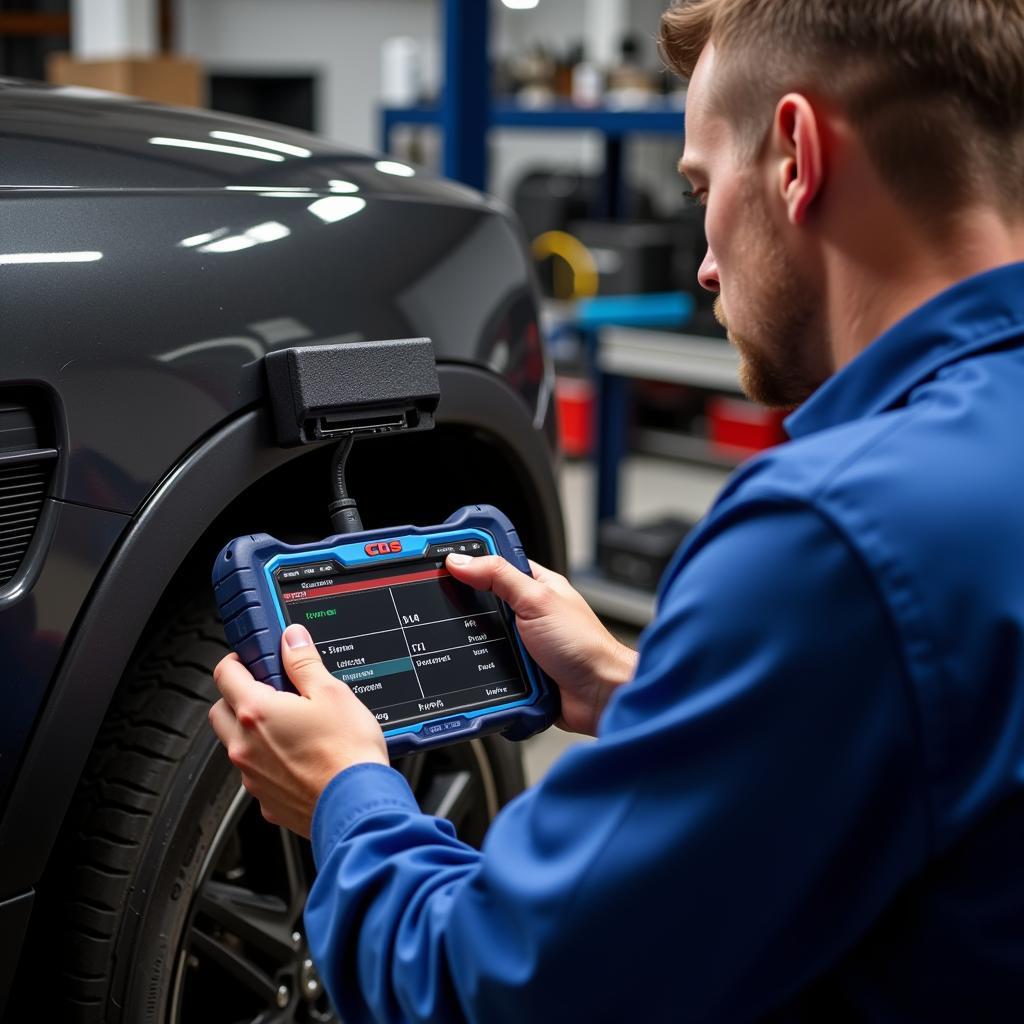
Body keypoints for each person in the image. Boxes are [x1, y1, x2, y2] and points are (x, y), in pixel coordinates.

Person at [209, 0, 1024, 1018]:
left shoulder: (835, 538)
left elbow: (498, 985)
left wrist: (344, 796)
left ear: (795, 157)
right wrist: (637, 690)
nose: (703, 263)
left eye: (698, 188)